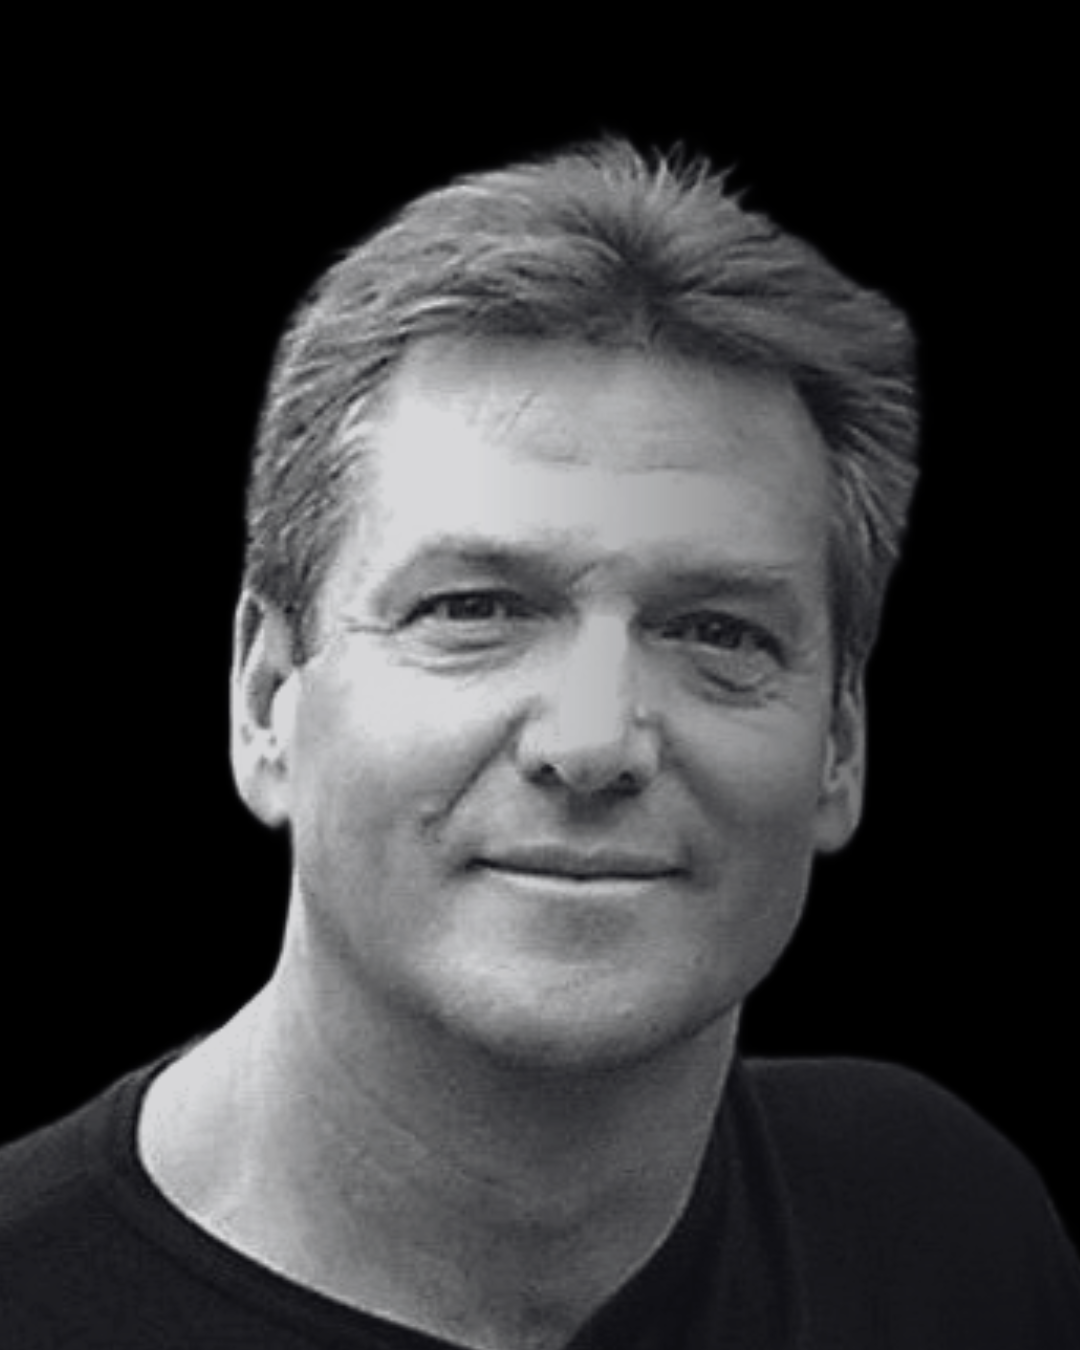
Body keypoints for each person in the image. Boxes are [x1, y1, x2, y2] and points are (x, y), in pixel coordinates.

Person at [1, 138, 1077, 1350]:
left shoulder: (940, 1230)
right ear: (265, 698)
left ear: (841, 740)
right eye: (475, 609)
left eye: (716, 631)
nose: (593, 742)